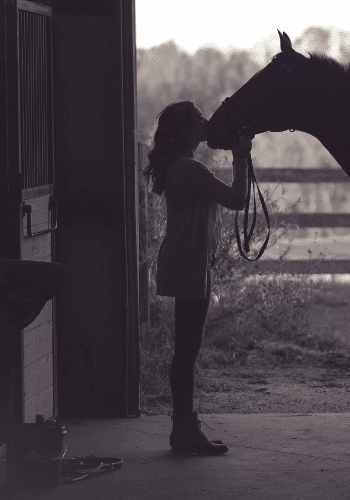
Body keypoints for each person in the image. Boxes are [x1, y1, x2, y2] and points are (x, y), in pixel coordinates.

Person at [142, 101, 252, 455]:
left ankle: (184, 429)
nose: (207, 122)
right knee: (187, 351)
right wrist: (241, 156)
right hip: (188, 262)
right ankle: (185, 431)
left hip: (187, 260)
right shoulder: (189, 168)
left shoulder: (180, 166)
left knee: (186, 350)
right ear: (189, 129)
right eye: (201, 118)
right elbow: (237, 199)